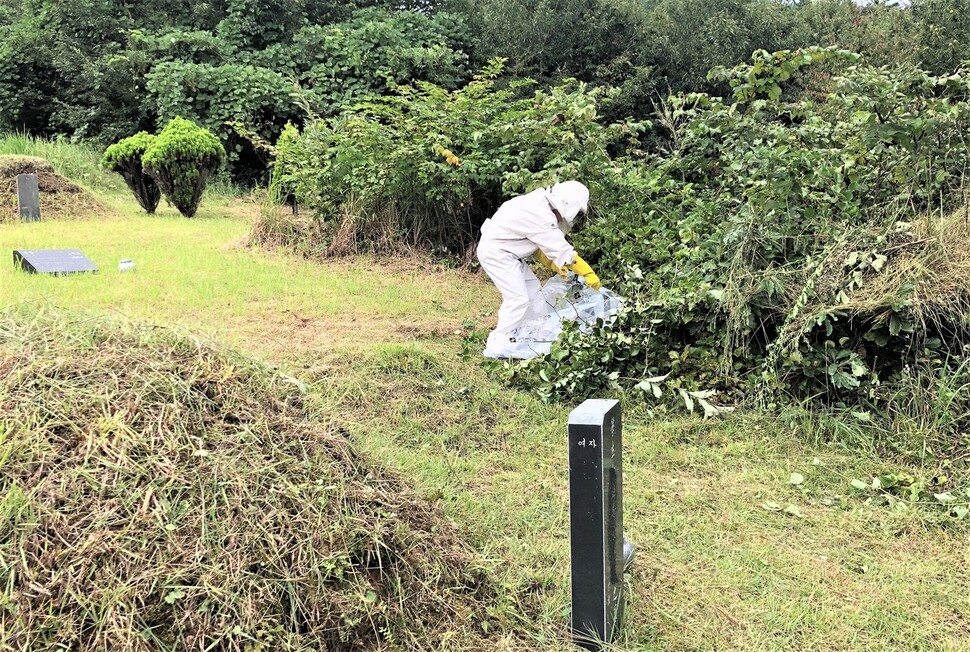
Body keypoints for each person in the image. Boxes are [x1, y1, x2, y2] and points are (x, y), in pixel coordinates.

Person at [476, 181, 602, 359]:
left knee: (534, 294)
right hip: (498, 254)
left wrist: (555, 265)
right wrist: (588, 273)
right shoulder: (539, 214)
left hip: (509, 254)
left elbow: (536, 248)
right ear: (568, 205)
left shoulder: (539, 205)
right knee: (518, 298)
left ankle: (531, 337)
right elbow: (562, 250)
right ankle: (499, 343)